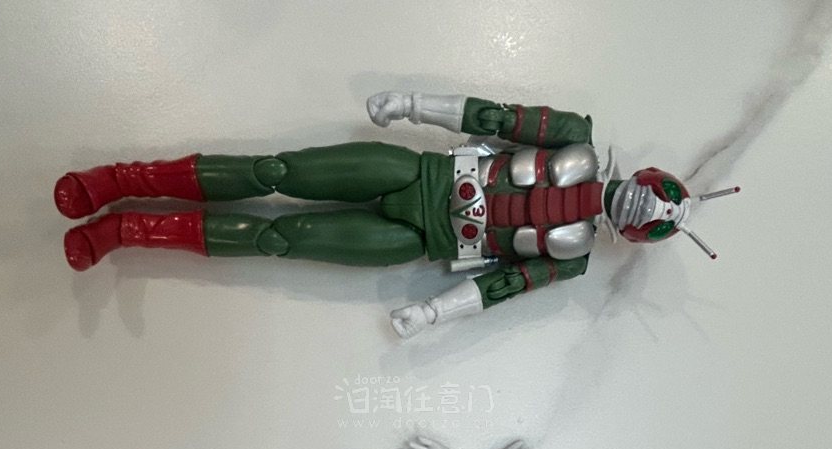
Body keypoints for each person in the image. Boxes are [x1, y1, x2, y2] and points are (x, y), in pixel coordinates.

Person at [54, 91, 712, 338]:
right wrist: (413, 104)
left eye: (657, 216)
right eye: (658, 195)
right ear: (651, 175)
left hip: (416, 237)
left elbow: (499, 287)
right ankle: (121, 179)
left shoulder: (572, 260)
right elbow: (493, 117)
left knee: (280, 238)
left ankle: (128, 229)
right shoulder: (574, 137)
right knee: (274, 171)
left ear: (640, 235)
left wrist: (433, 313)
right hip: (419, 172)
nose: (647, 204)